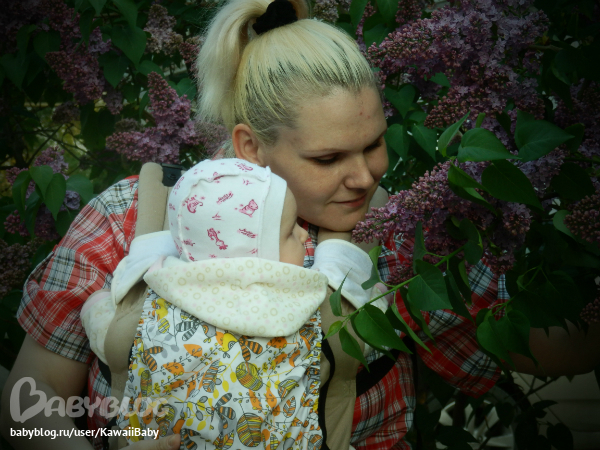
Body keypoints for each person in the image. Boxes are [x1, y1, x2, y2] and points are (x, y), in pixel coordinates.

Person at [2, 0, 599, 449]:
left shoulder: (398, 233)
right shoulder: (130, 218)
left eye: (373, 143)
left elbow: (541, 343)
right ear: (251, 146)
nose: (364, 177)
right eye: (328, 158)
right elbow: (28, 408)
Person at [80, 158, 384, 448]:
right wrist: (381, 294)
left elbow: (106, 330)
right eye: (291, 230)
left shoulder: (155, 297)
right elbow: (369, 332)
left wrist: (98, 302)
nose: (304, 235)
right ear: (258, 252)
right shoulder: (304, 303)